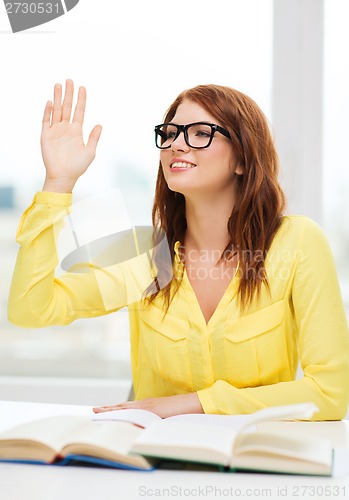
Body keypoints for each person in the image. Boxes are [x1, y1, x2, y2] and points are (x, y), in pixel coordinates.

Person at [8, 80, 349, 420]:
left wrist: (191, 404)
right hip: (157, 463)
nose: (176, 145)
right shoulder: (146, 257)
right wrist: (58, 184)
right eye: (170, 133)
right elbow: (30, 309)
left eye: (201, 133)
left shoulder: (297, 243)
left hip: (255, 464)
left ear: (242, 160)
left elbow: (329, 394)